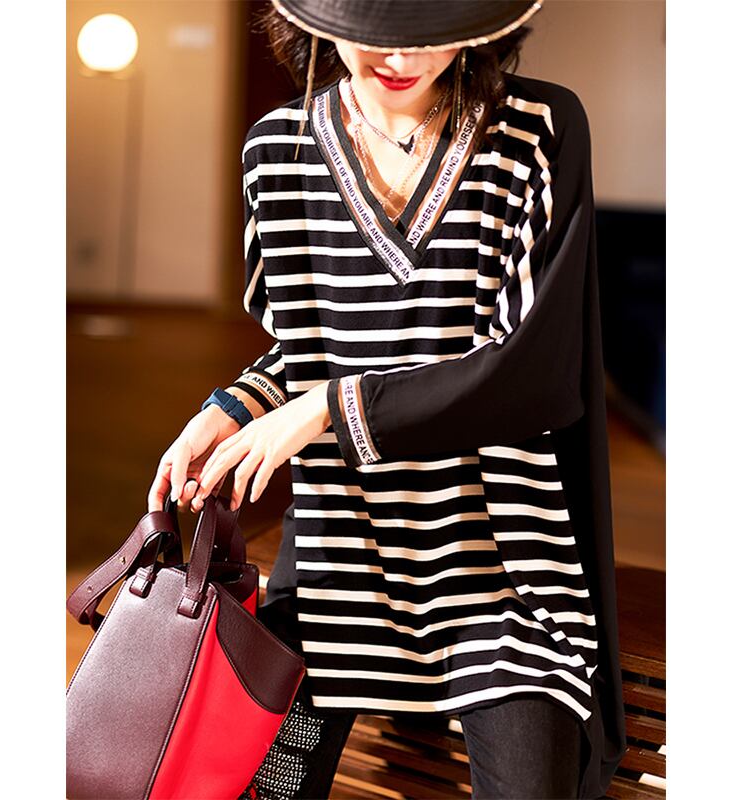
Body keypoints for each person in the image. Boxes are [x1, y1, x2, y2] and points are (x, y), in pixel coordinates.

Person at [148, 1, 626, 797]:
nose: (402, 58)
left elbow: (535, 370)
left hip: (500, 568)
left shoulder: (537, 130)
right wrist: (232, 408)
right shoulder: (277, 149)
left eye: (429, 35)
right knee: (269, 789)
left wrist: (326, 410)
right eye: (377, 32)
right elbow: (307, 350)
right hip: (338, 559)